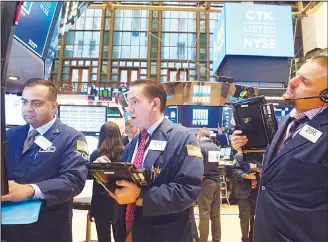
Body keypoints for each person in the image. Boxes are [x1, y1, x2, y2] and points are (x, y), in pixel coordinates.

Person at [230, 54, 328, 242]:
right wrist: (246, 150)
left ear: (325, 95)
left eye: (304, 81)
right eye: (296, 75)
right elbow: (283, 167)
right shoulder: (290, 121)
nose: (291, 82)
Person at [96, 79, 203, 242]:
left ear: (155, 104)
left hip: (164, 233)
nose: (129, 108)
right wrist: (107, 173)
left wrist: (141, 196)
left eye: (135, 102)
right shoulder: (133, 144)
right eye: (128, 103)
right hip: (127, 232)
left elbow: (188, 190)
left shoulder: (182, 138)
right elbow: (126, 183)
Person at [1, 79, 89, 242]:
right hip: (7, 228)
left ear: (54, 106)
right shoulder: (10, 135)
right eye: (25, 102)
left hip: (47, 228)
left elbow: (73, 181)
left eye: (36, 103)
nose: (28, 109)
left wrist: (30, 190)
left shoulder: (71, 138)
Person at [90, 122, 126, 242]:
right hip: (120, 199)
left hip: (100, 200)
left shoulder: (96, 154)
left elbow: (89, 176)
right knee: (120, 235)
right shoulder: (125, 153)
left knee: (103, 236)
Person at [196, 128, 221, 242]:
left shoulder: (201, 147)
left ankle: (203, 240)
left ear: (199, 136)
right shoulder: (216, 147)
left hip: (206, 183)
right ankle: (216, 239)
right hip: (217, 181)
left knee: (204, 213)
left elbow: (199, 166)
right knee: (215, 215)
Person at [232, 153, 262, 242]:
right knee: (245, 217)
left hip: (256, 191)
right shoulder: (239, 156)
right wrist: (245, 176)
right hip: (243, 192)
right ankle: (245, 239)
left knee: (254, 217)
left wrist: (260, 170)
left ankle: (252, 238)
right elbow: (234, 170)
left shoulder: (259, 155)